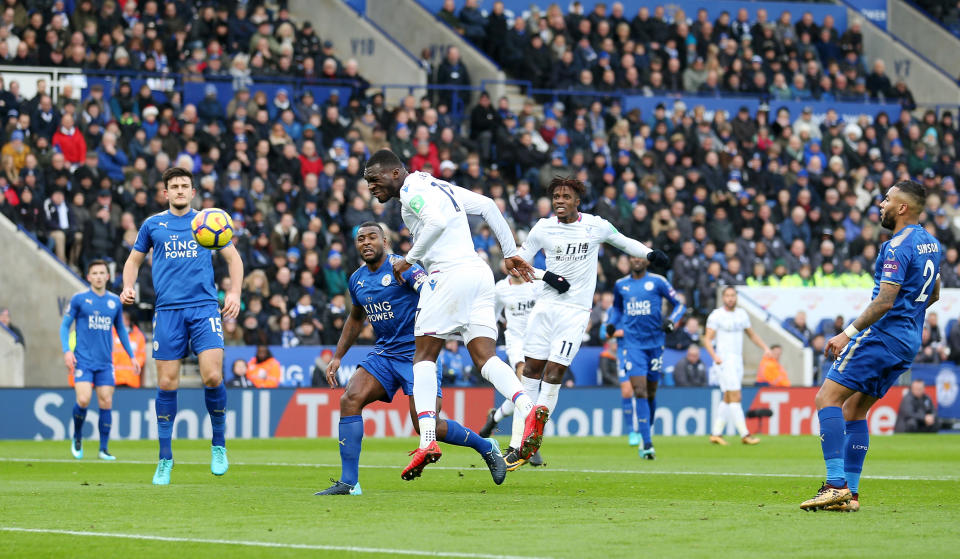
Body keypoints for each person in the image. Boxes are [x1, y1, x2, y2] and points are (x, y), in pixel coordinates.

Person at [363, 149, 554, 480]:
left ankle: (426, 441)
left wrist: (409, 259)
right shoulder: (438, 185)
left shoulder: (411, 190)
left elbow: (435, 224)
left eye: (374, 179)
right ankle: (527, 407)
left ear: (394, 173)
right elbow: (488, 206)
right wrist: (509, 252)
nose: (370, 187)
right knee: (485, 359)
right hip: (478, 273)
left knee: (423, 357)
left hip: (448, 274)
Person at [316, 222, 507, 495]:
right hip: (385, 352)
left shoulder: (403, 267)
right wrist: (337, 356)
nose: (366, 243)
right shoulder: (357, 279)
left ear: (385, 240)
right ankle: (349, 482)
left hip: (420, 354)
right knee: (350, 399)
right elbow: (356, 318)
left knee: (426, 426)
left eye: (372, 237)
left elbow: (433, 292)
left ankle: (486, 445)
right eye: (361, 239)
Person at [507, 177, 668, 469]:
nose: (559, 201)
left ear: (577, 201)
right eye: (556, 196)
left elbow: (623, 242)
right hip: (544, 308)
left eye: (565, 196)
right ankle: (516, 443)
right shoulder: (543, 228)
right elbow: (517, 262)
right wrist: (547, 276)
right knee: (530, 373)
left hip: (575, 312)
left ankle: (534, 436)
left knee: (554, 373)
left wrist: (650, 254)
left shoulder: (595, 225)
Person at [802, 180, 941, 512]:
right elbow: (934, 294)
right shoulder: (932, 244)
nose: (881, 203)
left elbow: (884, 301)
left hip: (883, 336)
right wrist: (910, 317)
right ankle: (851, 494)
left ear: (902, 208)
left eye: (887, 199)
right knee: (855, 410)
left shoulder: (896, 246)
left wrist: (846, 333)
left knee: (827, 399)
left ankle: (835, 485)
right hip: (907, 342)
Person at [121, 167, 244, 485]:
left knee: (213, 375)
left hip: (204, 309)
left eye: (184, 186)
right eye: (173, 186)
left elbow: (234, 259)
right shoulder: (153, 224)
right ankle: (165, 459)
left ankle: (218, 445)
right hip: (168, 311)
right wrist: (128, 286)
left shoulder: (207, 223)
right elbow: (133, 261)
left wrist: (233, 292)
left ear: (192, 192)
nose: (178, 190)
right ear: (165, 192)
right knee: (166, 384)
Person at [605, 255, 685, 458]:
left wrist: (672, 321)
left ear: (648, 261)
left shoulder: (658, 281)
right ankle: (647, 443)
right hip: (632, 345)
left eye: (641, 257)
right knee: (639, 390)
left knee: (650, 392)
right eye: (633, 257)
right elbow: (617, 308)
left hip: (656, 344)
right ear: (629, 261)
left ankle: (644, 433)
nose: (637, 260)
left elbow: (679, 305)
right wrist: (612, 322)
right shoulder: (621, 285)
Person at [60, 260, 138, 460]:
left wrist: (131, 356)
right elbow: (64, 326)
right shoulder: (79, 299)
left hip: (105, 363)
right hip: (84, 361)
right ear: (88, 277)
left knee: (106, 401)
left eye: (102, 272)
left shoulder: (114, 302)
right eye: (94, 273)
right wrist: (67, 351)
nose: (98, 276)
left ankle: (103, 449)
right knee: (84, 400)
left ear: (107, 276)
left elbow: (120, 329)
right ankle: (77, 436)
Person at [478, 272, 545, 466]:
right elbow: (493, 314)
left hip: (538, 341)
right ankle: (524, 445)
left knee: (525, 393)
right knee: (524, 387)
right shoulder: (501, 288)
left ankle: (495, 417)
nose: (515, 268)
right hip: (516, 342)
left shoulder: (537, 286)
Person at [704, 286, 771, 446]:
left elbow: (751, 334)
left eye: (733, 295)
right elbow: (707, 339)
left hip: (737, 360)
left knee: (727, 397)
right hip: (724, 360)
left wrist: (765, 348)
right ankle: (745, 434)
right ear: (723, 298)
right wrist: (715, 356)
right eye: (727, 295)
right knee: (735, 396)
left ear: (736, 297)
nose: (730, 298)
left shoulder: (742, 314)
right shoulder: (716, 315)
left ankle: (716, 433)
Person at [113, 310, 146, 388]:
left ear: (129, 321)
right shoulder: (112, 333)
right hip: (115, 379)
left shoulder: (139, 335)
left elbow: (142, 356)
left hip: (132, 380)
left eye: (123, 319)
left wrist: (135, 365)